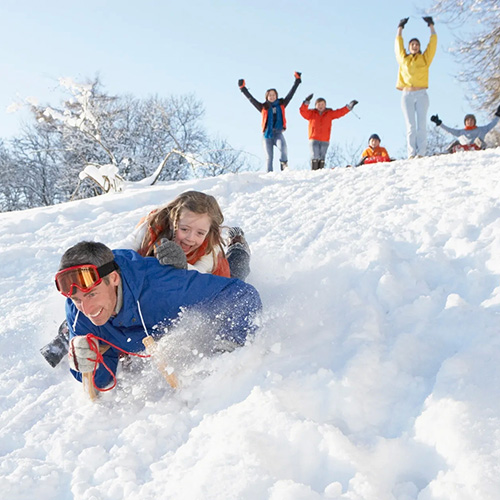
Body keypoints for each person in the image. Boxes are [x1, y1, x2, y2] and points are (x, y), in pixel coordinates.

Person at [40, 191, 252, 367]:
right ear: (173, 221)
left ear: (209, 233)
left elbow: (196, 281)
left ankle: (238, 245)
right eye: (184, 229)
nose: (190, 238)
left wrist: (181, 266)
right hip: (145, 282)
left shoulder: (209, 249)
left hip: (199, 277)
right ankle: (66, 335)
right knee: (94, 295)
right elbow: (122, 250)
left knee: (236, 273)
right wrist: (102, 270)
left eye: (199, 233)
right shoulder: (153, 227)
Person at [55, 241, 262, 390]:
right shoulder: (76, 311)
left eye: (92, 294)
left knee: (228, 272)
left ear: (114, 278)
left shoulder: (164, 288)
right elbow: (100, 380)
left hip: (189, 278)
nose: (87, 308)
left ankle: (238, 248)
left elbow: (242, 295)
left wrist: (227, 351)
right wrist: (84, 365)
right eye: (77, 299)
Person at [238, 72, 302, 172]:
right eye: (270, 95)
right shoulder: (263, 107)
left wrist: (297, 81)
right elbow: (251, 99)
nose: (272, 97)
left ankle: (284, 166)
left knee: (283, 149)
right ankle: (269, 176)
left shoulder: (282, 105)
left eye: (274, 95)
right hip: (267, 134)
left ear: (276, 96)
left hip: (278, 133)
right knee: (269, 157)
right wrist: (243, 88)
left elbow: (291, 94)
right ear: (267, 97)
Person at [395, 16, 437, 158]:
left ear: (419, 47)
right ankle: (411, 153)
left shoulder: (425, 59)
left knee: (421, 125)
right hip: (407, 95)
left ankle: (421, 153)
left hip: (421, 94)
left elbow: (432, 45)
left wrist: (431, 26)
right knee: (411, 126)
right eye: (412, 44)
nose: (414, 46)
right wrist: (400, 28)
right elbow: (398, 45)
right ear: (409, 47)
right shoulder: (404, 59)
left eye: (417, 44)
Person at [299, 94, 358, 170]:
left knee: (322, 157)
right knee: (315, 155)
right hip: (314, 139)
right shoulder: (312, 114)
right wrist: (306, 102)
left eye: (323, 104)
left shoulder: (329, 113)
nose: (321, 106)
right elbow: (303, 111)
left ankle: (320, 172)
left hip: (325, 140)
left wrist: (349, 107)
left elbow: (339, 112)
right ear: (316, 105)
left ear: (325, 105)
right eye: (319, 104)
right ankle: (314, 172)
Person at [430, 106, 500, 153]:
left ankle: (478, 148)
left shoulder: (482, 129)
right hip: (465, 148)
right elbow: (449, 130)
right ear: (465, 122)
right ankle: (445, 153)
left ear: (474, 122)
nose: (470, 122)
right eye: (468, 120)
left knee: (478, 140)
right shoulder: (461, 132)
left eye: (471, 120)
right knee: (456, 142)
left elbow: (492, 124)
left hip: (477, 147)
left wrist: (498, 115)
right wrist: (439, 123)